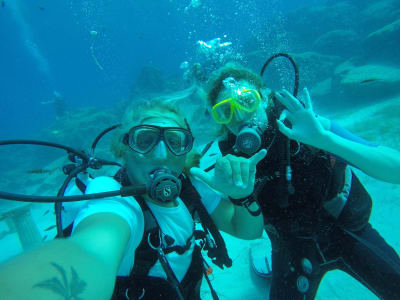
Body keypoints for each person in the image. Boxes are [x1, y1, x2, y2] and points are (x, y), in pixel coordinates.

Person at [0, 96, 265, 300]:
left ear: (185, 150)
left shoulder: (191, 187)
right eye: (145, 139)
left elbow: (248, 230)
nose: (161, 153)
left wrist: (241, 197)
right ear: (124, 148)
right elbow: (90, 249)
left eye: (175, 141)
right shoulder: (114, 199)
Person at [197, 63, 400, 299]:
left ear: (264, 97)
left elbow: (395, 169)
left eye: (246, 101)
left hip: (347, 231)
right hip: (292, 247)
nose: (239, 116)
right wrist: (238, 195)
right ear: (219, 120)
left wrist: (326, 140)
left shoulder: (309, 128)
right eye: (225, 111)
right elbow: (245, 227)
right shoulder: (231, 161)